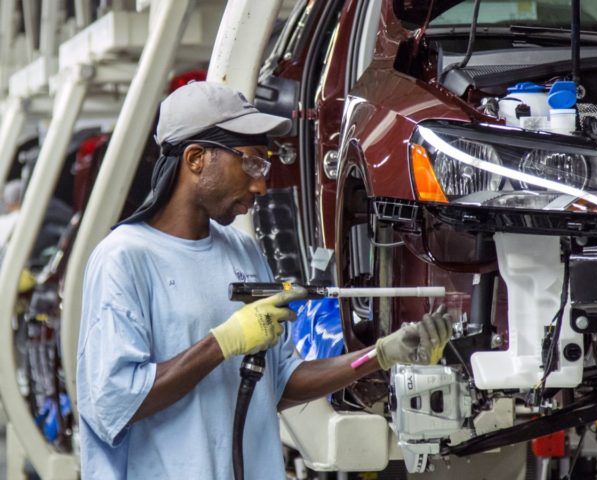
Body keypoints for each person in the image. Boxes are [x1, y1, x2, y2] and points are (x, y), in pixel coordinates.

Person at [76, 81, 453, 480]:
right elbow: (114, 401)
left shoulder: (243, 251)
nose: (261, 184)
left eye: (265, 167)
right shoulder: (124, 258)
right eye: (251, 163)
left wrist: (378, 356)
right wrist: (220, 344)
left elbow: (280, 381)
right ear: (196, 158)